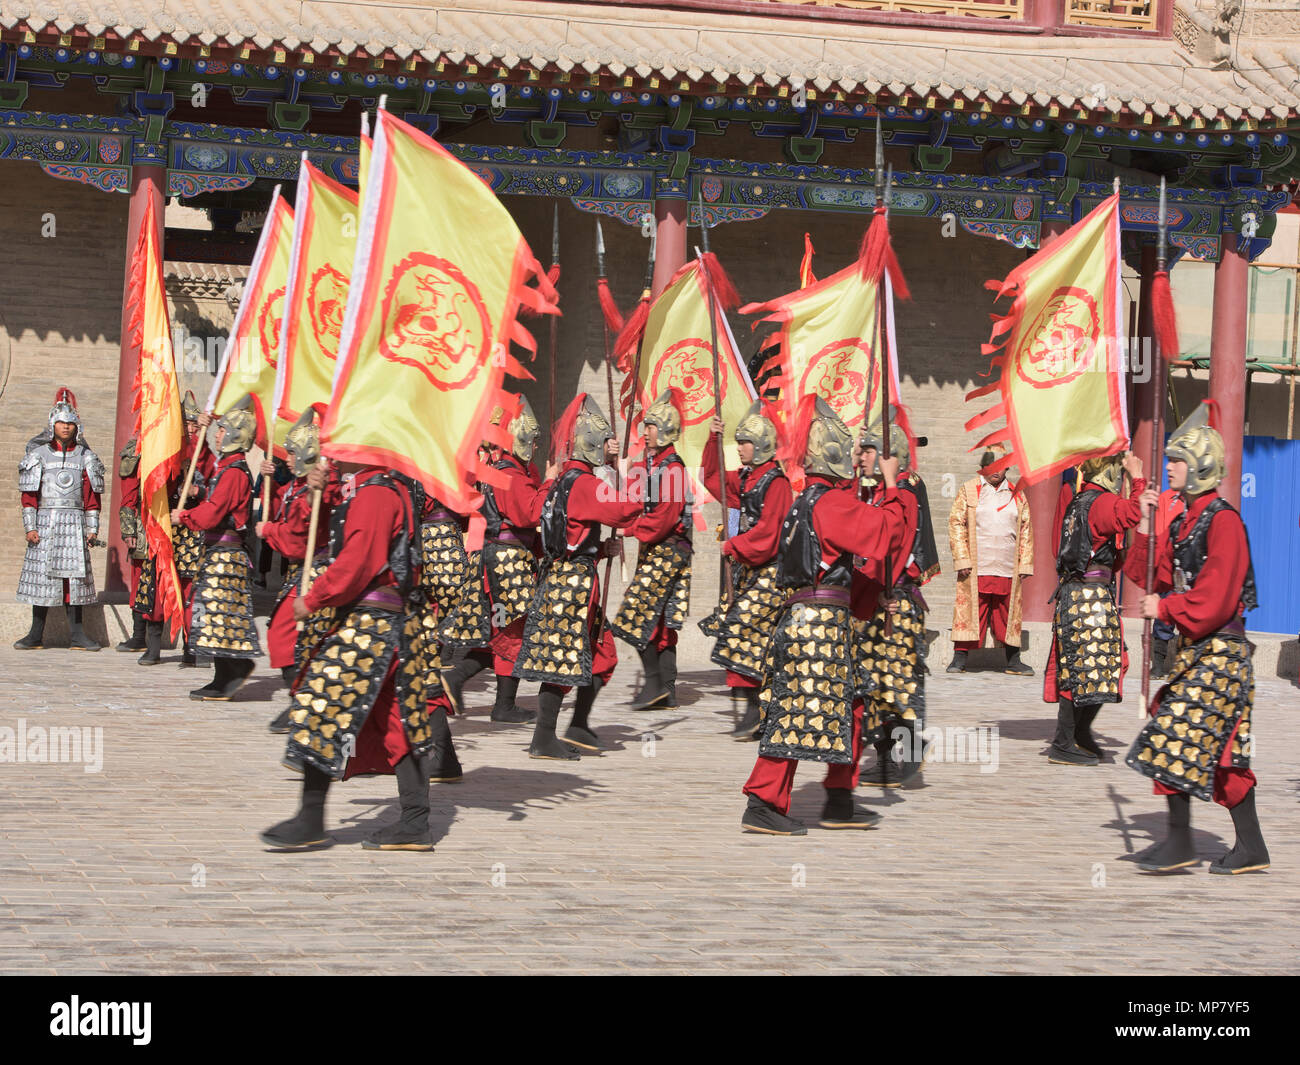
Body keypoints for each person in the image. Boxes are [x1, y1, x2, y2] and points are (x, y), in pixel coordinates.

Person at [260, 459, 447, 852]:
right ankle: (414, 823)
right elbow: (317, 536)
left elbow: (359, 560)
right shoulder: (365, 487)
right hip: (384, 620)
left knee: (322, 707)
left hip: (371, 620)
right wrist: (321, 493)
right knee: (401, 721)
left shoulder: (377, 492)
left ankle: (312, 819)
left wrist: (314, 598)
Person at [740, 397, 905, 835]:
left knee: (849, 707)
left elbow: (838, 568)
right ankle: (762, 801)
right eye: (848, 450)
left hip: (814, 619)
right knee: (797, 712)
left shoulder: (806, 501)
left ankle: (839, 798)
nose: (854, 458)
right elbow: (886, 535)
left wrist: (870, 593)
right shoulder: (829, 504)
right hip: (817, 626)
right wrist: (892, 488)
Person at [1125, 401, 1268, 874]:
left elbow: (1217, 598)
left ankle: (1182, 843)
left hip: (1222, 654)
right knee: (1221, 753)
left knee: (1172, 735)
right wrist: (1145, 518)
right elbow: (1153, 573)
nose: (1170, 467)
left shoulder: (1223, 520)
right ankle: (1250, 848)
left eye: (1178, 460)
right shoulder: (1186, 520)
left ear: (1202, 466)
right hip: (1197, 653)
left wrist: (1165, 608)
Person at [514, 394, 641, 758]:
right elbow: (624, 509)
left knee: (599, 653)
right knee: (562, 656)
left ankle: (577, 725)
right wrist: (623, 467)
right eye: (602, 444)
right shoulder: (583, 483)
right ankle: (544, 737)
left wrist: (600, 550)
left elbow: (568, 534)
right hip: (573, 584)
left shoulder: (561, 482)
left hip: (563, 576)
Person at [441, 395, 547, 724]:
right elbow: (528, 513)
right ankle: (502, 704)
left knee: (499, 631)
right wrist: (551, 483)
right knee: (513, 631)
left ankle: (458, 679)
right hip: (506, 562)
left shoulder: (500, 469)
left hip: (498, 557)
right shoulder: (509, 473)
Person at [1042, 450, 1145, 765]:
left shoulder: (1077, 501)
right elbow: (1135, 512)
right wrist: (1137, 477)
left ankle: (1079, 733)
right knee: (1082, 669)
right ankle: (1064, 741)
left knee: (1103, 663)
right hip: (1089, 597)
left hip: (1080, 594)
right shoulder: (1100, 503)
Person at [856, 409, 940, 788]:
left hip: (895, 599)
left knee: (898, 682)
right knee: (879, 681)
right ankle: (890, 757)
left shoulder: (903, 490)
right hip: (879, 596)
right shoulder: (878, 489)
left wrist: (884, 586)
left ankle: (907, 755)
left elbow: (898, 543)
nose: (865, 456)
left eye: (871, 450)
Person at [700, 402, 793, 739]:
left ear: (762, 444)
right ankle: (755, 709)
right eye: (737, 442)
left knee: (744, 630)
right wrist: (713, 441)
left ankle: (755, 711)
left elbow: (769, 535)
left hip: (771, 572)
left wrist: (733, 547)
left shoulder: (777, 483)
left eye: (744, 442)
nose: (738, 448)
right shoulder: (747, 477)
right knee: (742, 634)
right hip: (749, 571)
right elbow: (711, 479)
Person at [172, 396, 261, 700]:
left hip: (226, 554)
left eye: (222, 430)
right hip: (217, 552)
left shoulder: (235, 472)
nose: (218, 434)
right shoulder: (227, 467)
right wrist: (198, 431)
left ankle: (228, 675)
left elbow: (213, 511)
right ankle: (228, 674)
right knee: (216, 614)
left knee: (219, 614)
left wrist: (184, 516)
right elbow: (202, 464)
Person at [609, 389, 693, 711]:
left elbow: (662, 521)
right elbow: (630, 493)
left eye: (651, 427)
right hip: (656, 550)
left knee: (634, 615)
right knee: (657, 620)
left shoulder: (672, 468)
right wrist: (610, 461)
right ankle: (664, 691)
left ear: (666, 430)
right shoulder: (651, 465)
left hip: (668, 551)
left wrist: (628, 529)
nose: (645, 433)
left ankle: (657, 685)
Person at [259, 408, 341, 731]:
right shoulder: (299, 485)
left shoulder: (318, 489)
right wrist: (271, 480)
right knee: (288, 637)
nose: (287, 457)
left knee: (291, 637)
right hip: (300, 570)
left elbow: (296, 541)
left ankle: (301, 703)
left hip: (315, 568)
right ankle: (301, 701)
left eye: (292, 452)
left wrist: (267, 531)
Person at [14, 388, 105, 651]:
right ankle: (35, 635)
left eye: (70, 423)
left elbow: (91, 498)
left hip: (75, 524)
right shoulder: (38, 455)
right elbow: (29, 495)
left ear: (77, 426)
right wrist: (30, 527)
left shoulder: (86, 457)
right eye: (61, 423)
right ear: (52, 424)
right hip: (45, 521)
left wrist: (92, 529)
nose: (65, 427)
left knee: (75, 582)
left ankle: (78, 636)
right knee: (42, 579)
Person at [947, 445, 1034, 675]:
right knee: (971, 611)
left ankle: (1013, 661)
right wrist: (962, 558)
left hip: (1007, 565)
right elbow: (956, 524)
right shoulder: (969, 490)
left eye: (1000, 466)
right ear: (982, 467)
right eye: (990, 466)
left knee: (1007, 613)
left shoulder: (1018, 493)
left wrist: (1025, 562)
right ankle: (959, 659)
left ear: (1007, 467)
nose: (995, 471)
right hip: (977, 565)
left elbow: (1026, 529)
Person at [174, 392, 215, 668]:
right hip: (171, 527)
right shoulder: (170, 450)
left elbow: (217, 491)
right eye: (187, 424)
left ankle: (194, 645)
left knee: (194, 590)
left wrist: (198, 490)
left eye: (195, 425)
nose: (191, 429)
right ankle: (150, 643)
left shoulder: (206, 454)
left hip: (195, 529)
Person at [115, 437, 150, 654]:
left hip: (175, 522)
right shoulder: (136, 449)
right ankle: (139, 636)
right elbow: (129, 495)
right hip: (144, 524)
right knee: (141, 579)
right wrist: (129, 530)